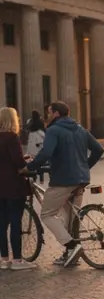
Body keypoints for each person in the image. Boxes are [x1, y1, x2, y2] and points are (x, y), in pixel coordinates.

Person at [23, 101, 104, 268]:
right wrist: (85, 166)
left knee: (47, 213)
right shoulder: (80, 128)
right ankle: (70, 254)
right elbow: (98, 149)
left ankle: (72, 245)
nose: (47, 116)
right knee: (70, 216)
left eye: (49, 112)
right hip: (81, 179)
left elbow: (46, 153)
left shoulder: (54, 130)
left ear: (56, 114)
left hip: (63, 180)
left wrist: (29, 167)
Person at [0, 107, 36, 271]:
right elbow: (18, 164)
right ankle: (17, 260)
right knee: (15, 222)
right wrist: (26, 163)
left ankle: (4, 258)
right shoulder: (12, 137)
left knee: (2, 223)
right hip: (13, 186)